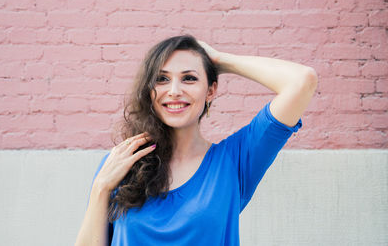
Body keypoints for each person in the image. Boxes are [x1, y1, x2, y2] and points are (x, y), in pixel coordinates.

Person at [75, 35, 318, 246]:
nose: (174, 91)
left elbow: (301, 81)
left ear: (210, 91)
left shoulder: (234, 162)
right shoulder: (122, 161)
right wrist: (101, 188)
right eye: (162, 79)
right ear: (150, 90)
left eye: (189, 78)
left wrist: (220, 60)